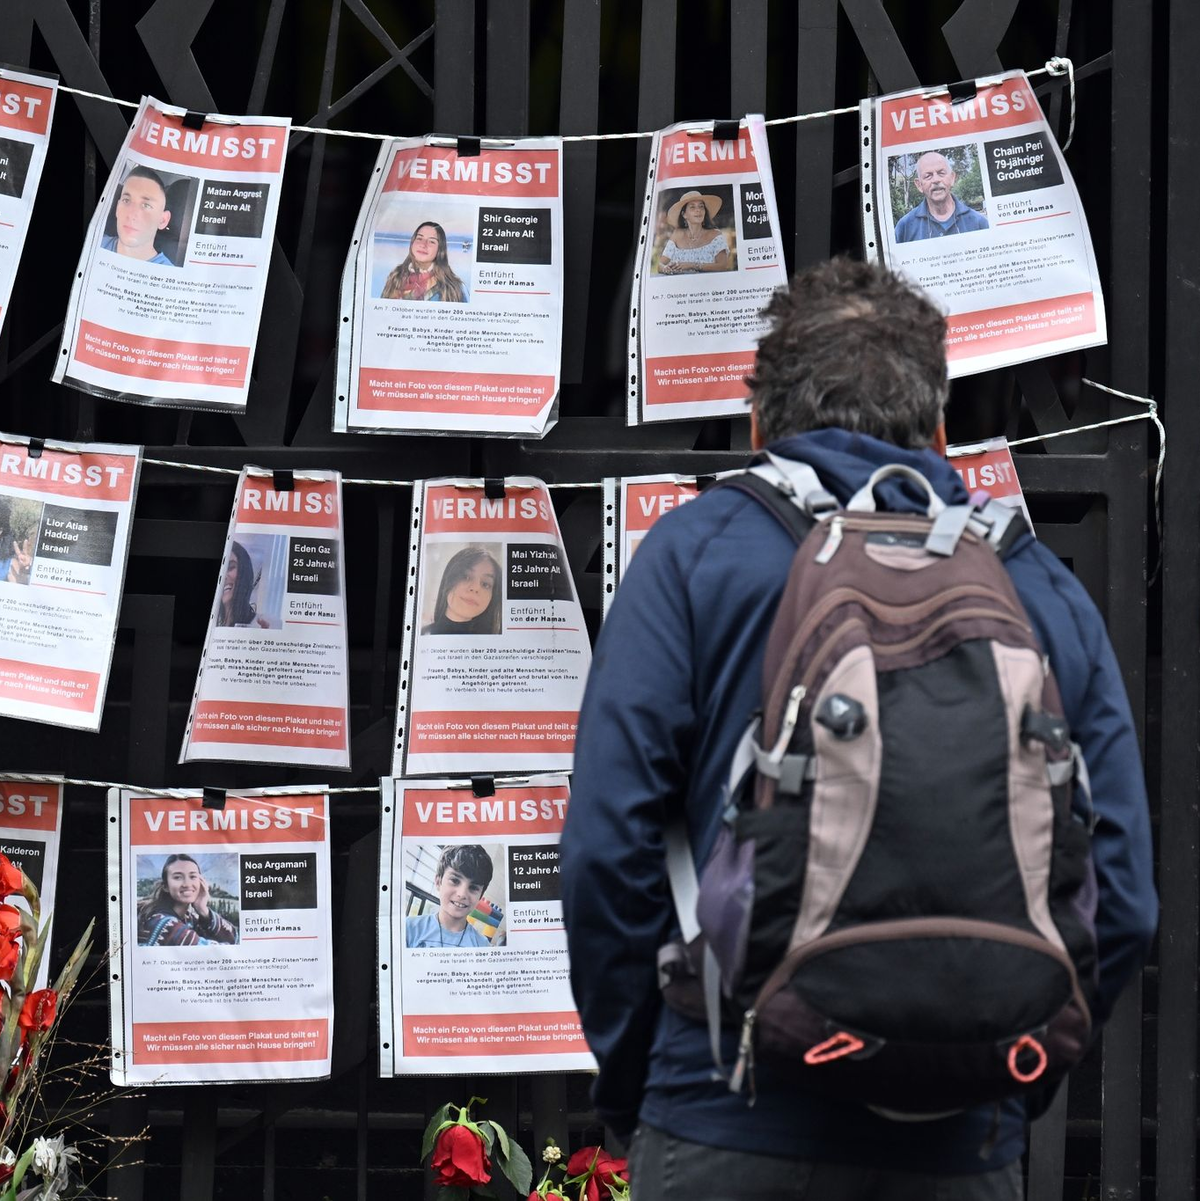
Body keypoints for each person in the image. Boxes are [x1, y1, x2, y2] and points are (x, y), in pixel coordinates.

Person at [560, 257, 1157, 1200]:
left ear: (760, 422)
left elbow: (607, 848)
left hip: (728, 1115)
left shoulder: (692, 556)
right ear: (942, 428)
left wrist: (649, 1079)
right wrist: (1005, 1077)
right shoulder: (1033, 584)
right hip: (959, 1144)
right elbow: (1121, 889)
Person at [137, 854, 238, 947]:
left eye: (193, 876)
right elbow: (216, 951)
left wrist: (203, 910)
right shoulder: (165, 924)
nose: (187, 884)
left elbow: (234, 937)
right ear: (166, 886)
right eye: (177, 877)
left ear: (201, 882)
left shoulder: (188, 918)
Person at [405, 845, 494, 949]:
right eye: (455, 881)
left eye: (473, 887)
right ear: (438, 882)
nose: (462, 894)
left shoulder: (482, 946)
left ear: (480, 896)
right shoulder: (409, 929)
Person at [894, 151, 989, 242]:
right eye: (928, 176)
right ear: (919, 185)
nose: (936, 180)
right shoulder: (904, 227)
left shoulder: (978, 222)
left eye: (941, 173)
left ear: (952, 178)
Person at [101, 165, 176, 265]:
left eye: (146, 205)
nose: (132, 215)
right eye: (126, 200)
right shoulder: (93, 244)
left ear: (162, 220)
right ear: (118, 208)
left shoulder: (169, 275)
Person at [422, 545, 501, 635]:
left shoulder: (496, 643)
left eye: (485, 584)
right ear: (448, 579)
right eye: (466, 577)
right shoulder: (422, 635)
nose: (475, 588)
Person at [381, 221, 468, 302]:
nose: (423, 245)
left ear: (440, 249)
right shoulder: (396, 277)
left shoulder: (453, 287)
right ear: (412, 242)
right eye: (419, 238)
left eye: (431, 241)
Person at [657, 190, 730, 274]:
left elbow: (723, 266)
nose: (698, 210)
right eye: (692, 207)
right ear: (684, 214)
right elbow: (660, 264)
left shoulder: (715, 235)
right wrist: (665, 269)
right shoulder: (677, 234)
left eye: (701, 206)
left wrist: (693, 265)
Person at [216, 540, 270, 629]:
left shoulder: (260, 624)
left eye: (230, 567)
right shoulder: (215, 624)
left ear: (244, 572)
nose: (223, 577)